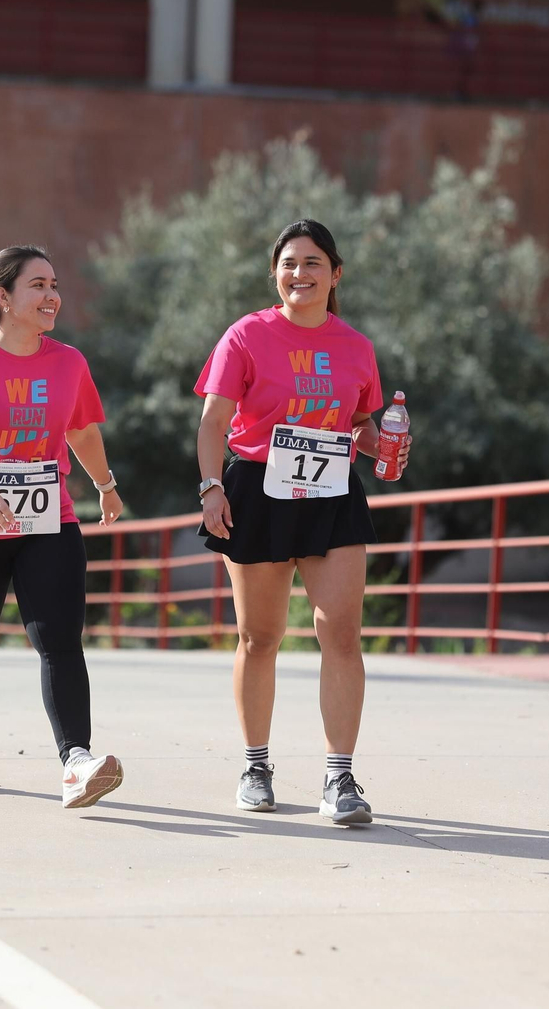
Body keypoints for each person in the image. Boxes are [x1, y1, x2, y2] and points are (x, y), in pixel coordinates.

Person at [194, 219, 411, 825]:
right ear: (275, 273)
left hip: (332, 490)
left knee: (340, 632)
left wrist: (386, 446)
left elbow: (362, 427)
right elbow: (214, 422)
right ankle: (255, 766)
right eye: (289, 263)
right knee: (259, 638)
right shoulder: (245, 336)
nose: (300, 273)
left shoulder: (356, 346)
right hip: (256, 489)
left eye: (313, 263)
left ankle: (339, 780)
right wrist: (211, 486)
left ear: (335, 274)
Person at [0, 244, 126, 807]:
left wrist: (105, 486)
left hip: (46, 523)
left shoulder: (68, 362)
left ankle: (77, 762)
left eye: (54, 284)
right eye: (37, 285)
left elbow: (80, 431)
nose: (51, 295)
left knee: (59, 641)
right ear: (3, 297)